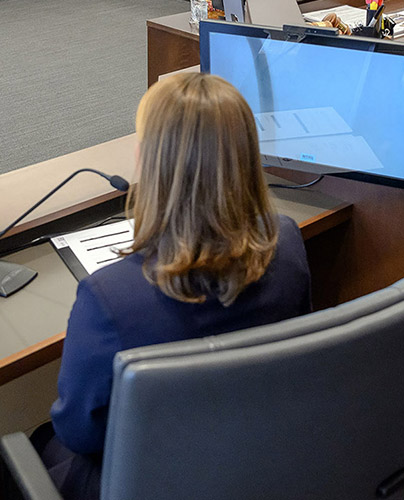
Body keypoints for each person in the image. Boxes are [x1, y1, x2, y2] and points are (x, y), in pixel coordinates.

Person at [41, 72, 312, 500]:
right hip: (256, 465)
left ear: (149, 161)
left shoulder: (109, 298)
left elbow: (78, 432)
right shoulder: (288, 243)